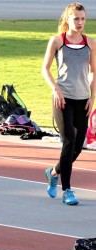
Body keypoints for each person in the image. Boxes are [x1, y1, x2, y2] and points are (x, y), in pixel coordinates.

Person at [42, 2, 96, 205]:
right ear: (67, 19)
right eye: (76, 18)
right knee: (69, 141)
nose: (80, 22)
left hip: (83, 99)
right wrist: (56, 90)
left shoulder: (90, 42)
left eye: (82, 18)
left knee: (78, 146)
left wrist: (92, 97)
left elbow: (93, 72)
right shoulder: (57, 41)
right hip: (63, 98)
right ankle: (67, 190)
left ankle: (53, 172)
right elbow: (45, 69)